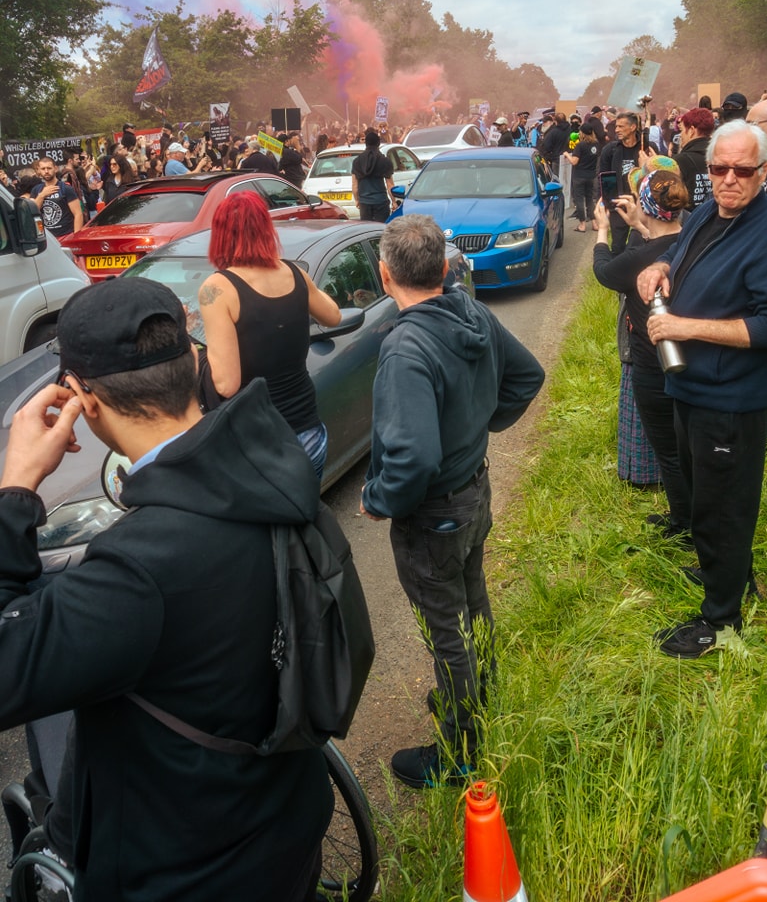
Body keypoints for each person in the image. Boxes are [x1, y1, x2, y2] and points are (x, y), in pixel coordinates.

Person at [0, 277, 333, 901]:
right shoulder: (275, 465)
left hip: (188, 872)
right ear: (198, 362)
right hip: (288, 828)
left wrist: (15, 493)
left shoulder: (137, 568)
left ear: (82, 401)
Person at [359, 214, 544, 788]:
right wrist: (476, 429)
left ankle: (461, 751)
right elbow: (526, 376)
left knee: (447, 631)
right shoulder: (474, 312)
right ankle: (482, 700)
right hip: (474, 492)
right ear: (444, 268)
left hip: (434, 514)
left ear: (385, 276)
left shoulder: (406, 350)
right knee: (472, 599)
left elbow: (411, 459)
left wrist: (379, 500)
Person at [637, 120, 767, 658]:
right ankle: (728, 575)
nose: (729, 179)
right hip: (692, 389)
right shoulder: (710, 213)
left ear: (763, 172)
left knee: (723, 507)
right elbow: (682, 255)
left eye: (743, 170)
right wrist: (659, 266)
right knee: (708, 500)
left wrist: (686, 328)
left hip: (731, 400)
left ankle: (722, 624)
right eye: (719, 168)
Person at [198, 190, 341, 480]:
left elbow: (226, 384)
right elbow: (334, 316)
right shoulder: (294, 273)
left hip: (256, 441)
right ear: (265, 229)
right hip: (308, 433)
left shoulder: (217, 288)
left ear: (221, 233)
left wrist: (195, 356)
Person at [593, 170, 692, 539]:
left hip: (653, 366)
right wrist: (640, 224)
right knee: (688, 448)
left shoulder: (641, 258)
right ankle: (687, 518)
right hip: (692, 360)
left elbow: (604, 272)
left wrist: (602, 230)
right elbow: (658, 240)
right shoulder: (690, 241)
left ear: (647, 209)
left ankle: (684, 525)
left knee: (669, 451)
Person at [599, 111, 642, 254]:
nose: (616, 130)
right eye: (616, 126)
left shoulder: (645, 148)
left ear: (633, 127)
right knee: (617, 246)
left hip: (641, 205)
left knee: (641, 243)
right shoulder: (610, 150)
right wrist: (607, 204)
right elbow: (603, 178)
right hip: (618, 205)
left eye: (621, 127)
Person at [31, 157, 84, 238]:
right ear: (39, 170)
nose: (46, 171)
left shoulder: (66, 188)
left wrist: (76, 236)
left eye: (49, 168)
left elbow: (78, 214)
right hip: (47, 238)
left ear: (55, 169)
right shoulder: (36, 190)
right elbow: (32, 212)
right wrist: (42, 195)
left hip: (66, 235)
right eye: (43, 169)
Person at [673, 107, 715, 208]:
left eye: (682, 130)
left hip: (689, 221)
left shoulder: (680, 161)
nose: (680, 135)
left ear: (691, 130)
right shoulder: (719, 156)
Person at [351, 129, 396, 222]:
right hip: (381, 202)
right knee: (381, 230)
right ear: (378, 143)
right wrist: (394, 201)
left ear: (366, 143)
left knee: (366, 231)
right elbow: (390, 185)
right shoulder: (385, 161)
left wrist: (357, 200)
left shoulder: (357, 161)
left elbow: (354, 185)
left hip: (364, 203)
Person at [564, 122, 599, 232]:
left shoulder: (580, 145)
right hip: (591, 175)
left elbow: (574, 162)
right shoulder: (596, 145)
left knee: (579, 200)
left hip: (579, 176)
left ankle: (582, 224)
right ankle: (594, 223)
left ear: (582, 133)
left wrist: (567, 155)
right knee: (589, 199)